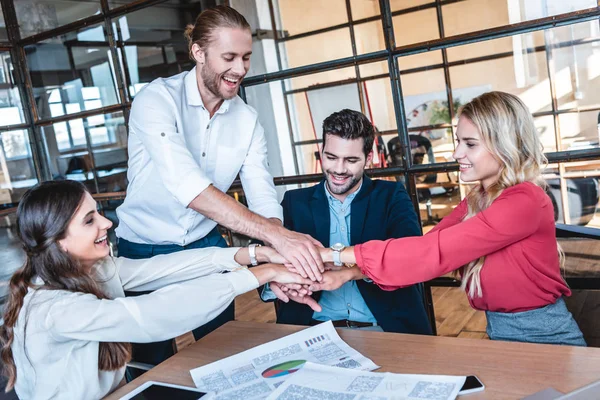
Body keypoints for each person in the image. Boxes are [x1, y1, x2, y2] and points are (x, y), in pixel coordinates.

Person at [115, 5, 322, 370]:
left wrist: (279, 249)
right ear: (198, 53)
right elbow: (188, 186)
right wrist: (280, 242)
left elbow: (261, 193)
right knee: (153, 363)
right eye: (229, 57)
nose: (240, 69)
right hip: (141, 250)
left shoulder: (247, 119)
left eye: (245, 57)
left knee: (224, 350)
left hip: (205, 245)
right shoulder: (155, 100)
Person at [312, 92, 586, 346]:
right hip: (500, 330)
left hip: (545, 335)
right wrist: (350, 273)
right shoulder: (478, 199)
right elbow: (423, 251)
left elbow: (434, 252)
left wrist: (333, 255)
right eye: (458, 141)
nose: (457, 154)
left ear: (504, 146)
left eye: (470, 144)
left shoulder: (524, 200)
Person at [0, 180, 311, 399]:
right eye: (89, 220)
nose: (107, 224)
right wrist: (262, 274)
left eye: (99, 212)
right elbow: (156, 314)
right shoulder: (53, 309)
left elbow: (166, 268)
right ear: (60, 242)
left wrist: (256, 255)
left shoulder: (97, 268)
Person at [267, 109, 431, 335]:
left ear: (368, 158)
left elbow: (411, 256)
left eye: (351, 160)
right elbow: (263, 263)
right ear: (321, 152)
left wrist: (348, 272)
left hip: (386, 330)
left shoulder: (391, 196)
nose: (339, 169)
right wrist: (278, 282)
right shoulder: (295, 202)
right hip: (311, 330)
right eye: (331, 157)